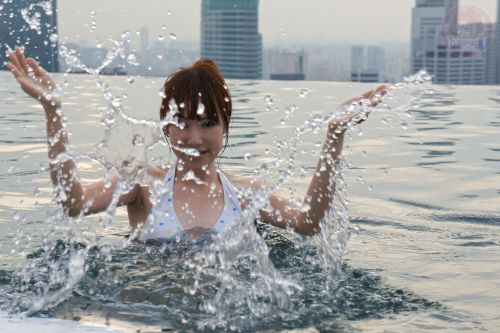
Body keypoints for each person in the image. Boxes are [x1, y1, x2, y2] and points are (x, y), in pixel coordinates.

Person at [6, 47, 385, 242]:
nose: (193, 138)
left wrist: (335, 135)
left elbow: (308, 223)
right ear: (165, 128)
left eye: (207, 124)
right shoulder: (142, 184)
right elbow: (73, 204)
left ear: (225, 127)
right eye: (182, 123)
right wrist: (53, 111)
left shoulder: (246, 193)